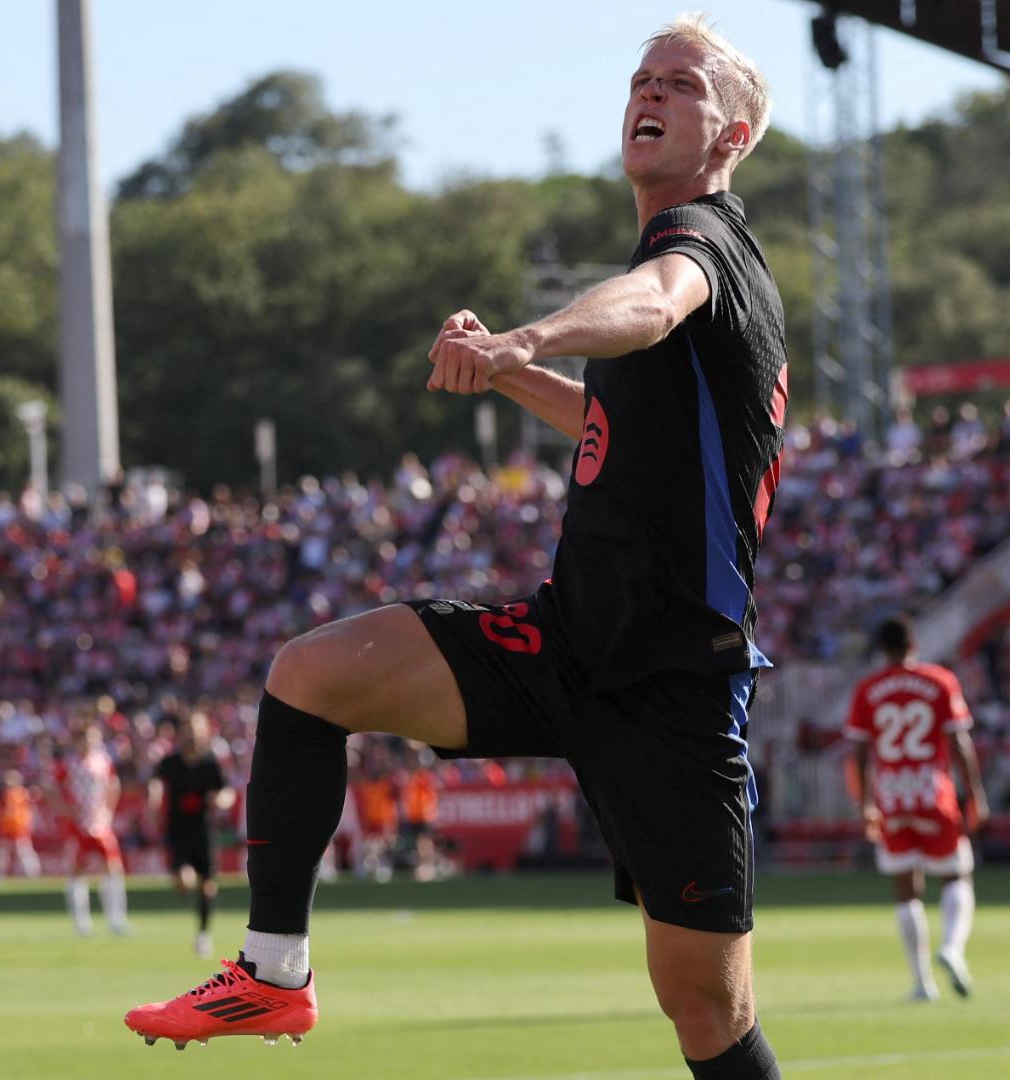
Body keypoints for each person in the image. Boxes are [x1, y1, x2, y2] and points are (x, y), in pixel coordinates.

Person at [125, 16, 788, 1076]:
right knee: (308, 676)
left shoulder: (702, 248)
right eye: (640, 78)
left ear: (732, 137)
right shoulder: (664, 271)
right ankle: (272, 973)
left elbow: (655, 305)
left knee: (707, 1010)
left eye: (681, 84)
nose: (649, 94)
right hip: (571, 638)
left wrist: (531, 333)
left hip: (674, 679)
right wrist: (510, 369)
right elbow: (615, 437)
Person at [843, 617, 988, 1002]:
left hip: (892, 796)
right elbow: (959, 743)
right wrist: (975, 793)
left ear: (882, 648)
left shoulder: (868, 689)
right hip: (932, 792)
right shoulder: (940, 680)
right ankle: (952, 948)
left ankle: (922, 982)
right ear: (914, 644)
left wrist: (865, 804)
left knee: (906, 888)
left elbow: (859, 751)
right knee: (958, 876)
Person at [151, 712, 233, 956]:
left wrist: (221, 800)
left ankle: (203, 934)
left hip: (204, 831)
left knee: (208, 887)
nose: (190, 734)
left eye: (195, 729)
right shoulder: (171, 762)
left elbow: (226, 791)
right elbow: (155, 782)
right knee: (185, 881)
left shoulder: (210, 763)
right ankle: (184, 889)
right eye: (186, 729)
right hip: (177, 831)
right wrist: (153, 800)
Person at [56, 723, 130, 936]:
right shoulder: (68, 764)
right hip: (78, 825)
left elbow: (114, 785)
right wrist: (65, 810)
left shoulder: (103, 761)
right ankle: (81, 922)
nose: (89, 742)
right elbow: (51, 788)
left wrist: (109, 811)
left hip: (100, 823)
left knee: (113, 867)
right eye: (86, 738)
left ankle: (117, 919)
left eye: (93, 738)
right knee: (78, 871)